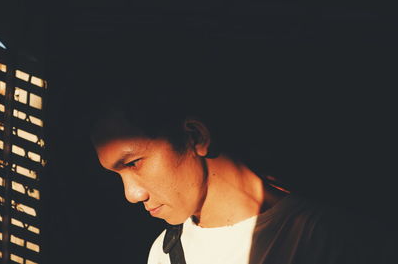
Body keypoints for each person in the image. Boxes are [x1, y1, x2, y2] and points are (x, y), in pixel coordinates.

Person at [87, 81, 395, 264]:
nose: (132, 194)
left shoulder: (330, 239)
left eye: (133, 163)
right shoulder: (165, 253)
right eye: (118, 175)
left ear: (195, 137)